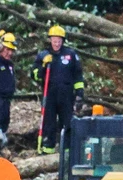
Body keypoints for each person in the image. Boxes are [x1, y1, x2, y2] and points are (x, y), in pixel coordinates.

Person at [32, 25, 85, 154]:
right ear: (50, 40)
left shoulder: (70, 55)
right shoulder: (43, 55)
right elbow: (35, 76)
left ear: (63, 41)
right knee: (49, 121)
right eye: (54, 40)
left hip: (66, 94)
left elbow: (78, 75)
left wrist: (79, 94)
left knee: (66, 121)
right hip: (49, 93)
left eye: (59, 41)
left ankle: (66, 149)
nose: (57, 43)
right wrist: (43, 66)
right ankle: (48, 148)